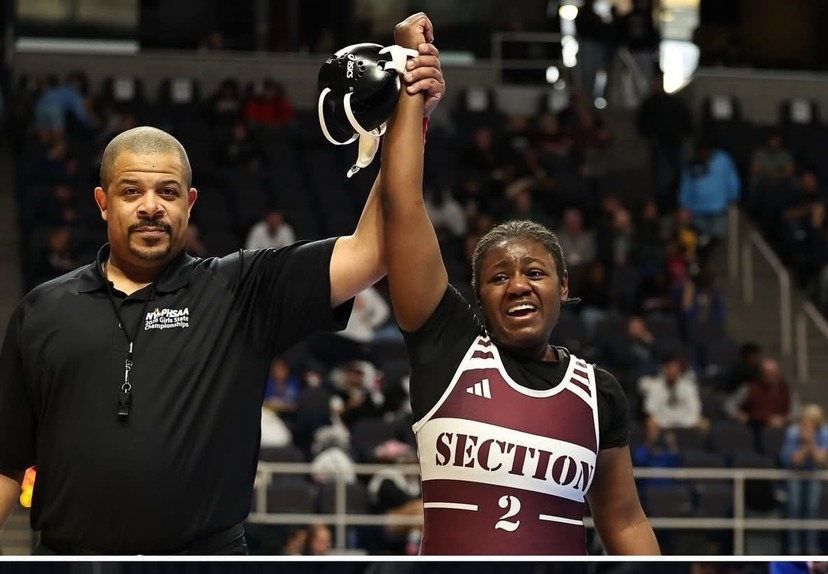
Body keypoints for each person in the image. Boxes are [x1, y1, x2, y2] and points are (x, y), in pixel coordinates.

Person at [0, 15, 446, 555]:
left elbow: (372, 251)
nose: (149, 207)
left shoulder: (241, 288)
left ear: (189, 205)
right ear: (102, 202)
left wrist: (407, 105)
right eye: (130, 192)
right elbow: (6, 467)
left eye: (167, 192)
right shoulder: (41, 312)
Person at [378, 14, 657, 556]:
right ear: (478, 295)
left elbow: (623, 522)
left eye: (534, 273)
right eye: (498, 277)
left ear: (563, 285)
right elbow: (403, 207)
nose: (518, 286)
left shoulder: (599, 393)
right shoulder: (447, 349)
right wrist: (413, 92)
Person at [780, 404, 828, 555]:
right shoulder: (792, 432)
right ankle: (794, 548)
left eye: (809, 421)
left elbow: (821, 459)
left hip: (814, 472)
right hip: (794, 471)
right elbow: (795, 459)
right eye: (804, 420)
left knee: (812, 509)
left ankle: (811, 548)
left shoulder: (825, 432)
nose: (805, 424)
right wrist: (804, 445)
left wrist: (810, 442)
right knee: (794, 508)